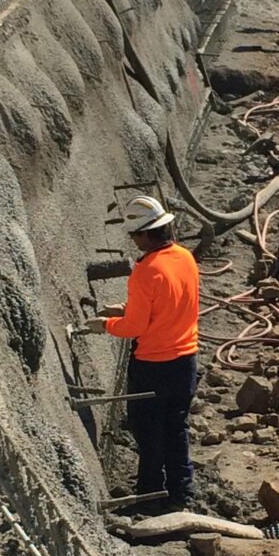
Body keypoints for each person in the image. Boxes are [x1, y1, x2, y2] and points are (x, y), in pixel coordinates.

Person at [85, 196, 200, 511]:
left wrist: (106, 324)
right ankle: (181, 495)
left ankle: (149, 498)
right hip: (186, 361)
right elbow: (169, 305)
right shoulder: (185, 258)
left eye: (134, 234)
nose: (133, 240)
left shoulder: (146, 270)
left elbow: (134, 328)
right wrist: (125, 308)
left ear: (147, 233)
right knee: (176, 428)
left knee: (148, 432)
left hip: (154, 366)